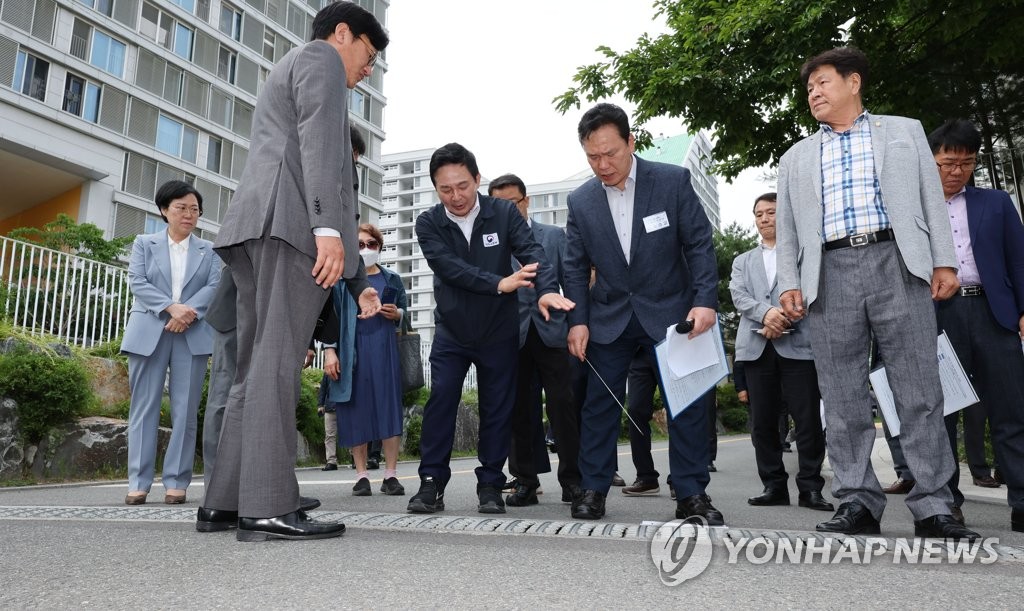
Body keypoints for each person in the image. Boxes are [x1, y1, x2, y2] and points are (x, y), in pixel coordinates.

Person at [197, 1, 387, 542]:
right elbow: (321, 148)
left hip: (259, 226)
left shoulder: (290, 67)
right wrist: (326, 229)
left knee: (255, 368)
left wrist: (354, 278)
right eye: (368, 55)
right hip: (290, 226)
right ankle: (266, 505)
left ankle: (228, 500)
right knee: (275, 367)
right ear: (343, 33)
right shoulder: (321, 59)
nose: (367, 69)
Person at [775, 47, 977, 540]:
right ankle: (857, 502)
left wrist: (944, 261)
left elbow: (932, 198)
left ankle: (934, 505)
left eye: (822, 83)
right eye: (809, 89)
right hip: (829, 271)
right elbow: (787, 227)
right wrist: (790, 284)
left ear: (854, 82)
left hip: (899, 265)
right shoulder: (795, 156)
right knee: (842, 396)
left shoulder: (904, 131)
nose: (814, 93)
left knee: (920, 391)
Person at [563, 103, 722, 524]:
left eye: (610, 153)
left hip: (671, 313)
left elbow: (699, 244)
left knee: (684, 405)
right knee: (599, 407)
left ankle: (691, 494)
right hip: (610, 318)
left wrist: (704, 300)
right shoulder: (580, 202)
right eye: (592, 157)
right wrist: (578, 320)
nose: (602, 164)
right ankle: (592, 489)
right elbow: (574, 266)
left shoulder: (670, 181)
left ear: (631, 142)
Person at [407, 143, 575, 515]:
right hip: (452, 332)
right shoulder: (429, 222)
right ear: (436, 188)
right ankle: (431, 483)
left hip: (498, 331)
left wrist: (546, 291)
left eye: (463, 186)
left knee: (497, 409)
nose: (456, 196)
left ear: (477, 179)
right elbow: (449, 267)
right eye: (445, 189)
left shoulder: (503, 213)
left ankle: (490, 485)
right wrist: (501, 283)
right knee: (442, 403)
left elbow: (533, 253)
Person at [928, 119, 1024, 533]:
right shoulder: (913, 207)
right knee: (943, 414)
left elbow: (1018, 259)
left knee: (1011, 410)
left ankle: (1021, 500)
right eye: (948, 162)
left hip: (993, 313)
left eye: (966, 163)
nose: (956, 171)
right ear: (930, 161)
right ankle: (948, 504)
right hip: (938, 317)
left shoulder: (996, 202)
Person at [730, 192, 832, 512]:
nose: (764, 218)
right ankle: (773, 485)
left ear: (783, 216)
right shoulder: (742, 261)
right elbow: (739, 295)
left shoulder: (802, 254)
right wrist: (766, 314)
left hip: (799, 345)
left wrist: (784, 316)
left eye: (771, 212)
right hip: (757, 348)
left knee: (807, 421)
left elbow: (812, 289)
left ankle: (811, 488)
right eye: (758, 213)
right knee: (762, 422)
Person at [121, 180, 221, 505]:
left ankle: (177, 481)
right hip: (149, 331)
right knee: (143, 408)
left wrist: (186, 313)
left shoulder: (210, 250)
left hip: (191, 334)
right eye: (181, 207)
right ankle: (138, 481)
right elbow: (137, 281)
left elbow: (215, 286)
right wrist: (170, 307)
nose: (189, 214)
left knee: (185, 410)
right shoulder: (143, 243)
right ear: (165, 211)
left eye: (194, 209)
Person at [487, 173, 582, 507]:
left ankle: (572, 480)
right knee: (520, 412)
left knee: (563, 408)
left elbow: (573, 283)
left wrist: (577, 325)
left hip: (552, 333)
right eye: (498, 205)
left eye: (512, 203)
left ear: (525, 202)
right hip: (511, 337)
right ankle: (525, 481)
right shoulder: (490, 245)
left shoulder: (554, 237)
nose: (507, 210)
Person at [322, 223, 407, 497]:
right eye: (359, 245)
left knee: (389, 408)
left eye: (372, 244)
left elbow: (406, 313)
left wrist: (398, 315)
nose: (366, 249)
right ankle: (361, 475)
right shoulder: (341, 279)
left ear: (380, 248)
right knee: (354, 409)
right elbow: (330, 317)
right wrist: (330, 350)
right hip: (351, 350)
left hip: (385, 350)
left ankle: (391, 474)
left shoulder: (392, 278)